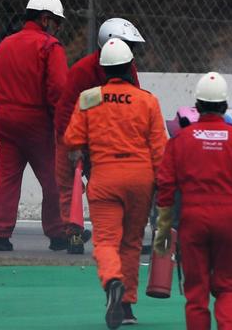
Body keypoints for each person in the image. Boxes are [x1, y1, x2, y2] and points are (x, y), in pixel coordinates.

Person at [64, 38, 167, 329]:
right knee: (131, 243)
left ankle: (112, 280)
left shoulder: (90, 97)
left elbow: (71, 139)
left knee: (106, 240)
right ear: (129, 66)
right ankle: (127, 306)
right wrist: (164, 186)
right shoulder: (147, 100)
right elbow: (160, 149)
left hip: (105, 177)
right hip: (140, 179)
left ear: (104, 68)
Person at [155, 72, 232, 330]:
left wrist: (163, 226)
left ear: (197, 106)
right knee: (229, 286)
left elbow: (165, 185)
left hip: (192, 221)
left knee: (196, 292)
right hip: (229, 222)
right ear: (225, 106)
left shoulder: (180, 140)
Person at [0, 0, 68, 251]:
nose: (58, 28)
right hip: (37, 123)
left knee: (6, 178)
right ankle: (57, 232)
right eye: (57, 22)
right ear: (45, 19)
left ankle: (0, 234)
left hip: (5, 121)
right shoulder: (50, 47)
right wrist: (64, 125)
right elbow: (58, 91)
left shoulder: (5, 44)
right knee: (53, 178)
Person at [56, 18, 145, 255]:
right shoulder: (82, 72)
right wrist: (72, 145)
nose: (132, 54)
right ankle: (72, 232)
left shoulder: (129, 68)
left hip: (104, 138)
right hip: (73, 133)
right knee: (68, 183)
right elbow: (66, 110)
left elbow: (133, 105)